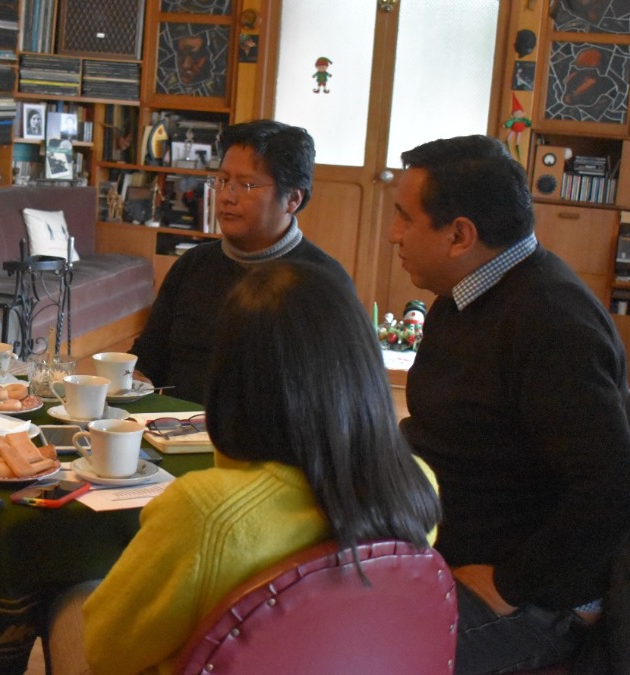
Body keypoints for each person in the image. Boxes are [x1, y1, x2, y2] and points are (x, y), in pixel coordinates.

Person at [47, 260, 440, 675]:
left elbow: (106, 651)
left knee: (71, 595)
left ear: (234, 376)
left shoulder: (206, 512)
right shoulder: (416, 484)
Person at [390, 134, 630, 674]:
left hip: (534, 594)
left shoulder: (553, 323)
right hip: (444, 552)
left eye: (405, 218)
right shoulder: (460, 298)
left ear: (459, 235)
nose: (392, 235)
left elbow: (609, 488)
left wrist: (510, 583)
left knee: (360, 654)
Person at [130, 119, 353, 403]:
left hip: (265, 444)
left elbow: (331, 397)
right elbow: (149, 357)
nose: (226, 196)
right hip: (175, 432)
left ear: (293, 199)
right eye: (223, 181)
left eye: (247, 185)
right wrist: (131, 377)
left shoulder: (324, 282)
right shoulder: (192, 265)